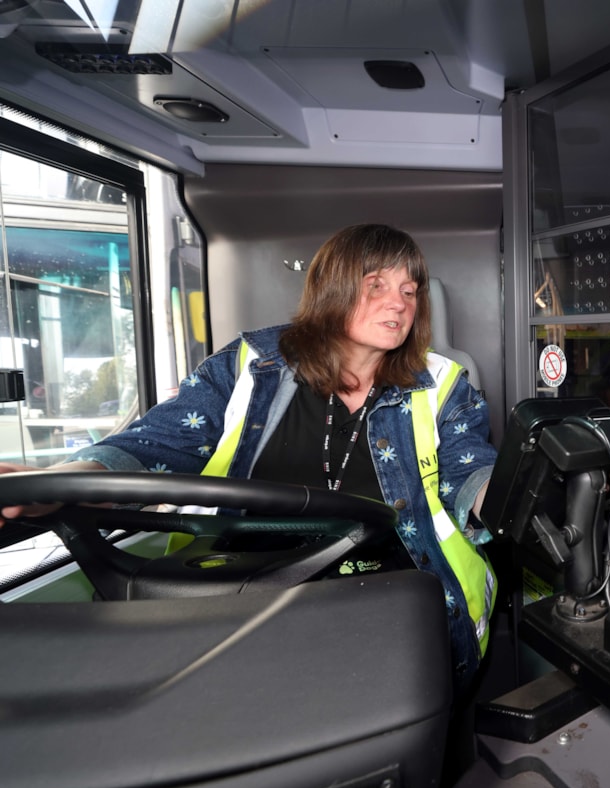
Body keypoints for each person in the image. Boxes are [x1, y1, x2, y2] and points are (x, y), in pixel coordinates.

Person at [0, 223, 497, 694]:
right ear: (334, 287)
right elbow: (152, 443)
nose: (398, 303)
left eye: (410, 291)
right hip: (243, 590)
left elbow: (469, 471)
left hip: (388, 594)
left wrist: (503, 493)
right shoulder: (251, 367)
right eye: (377, 285)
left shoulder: (443, 386)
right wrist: (58, 481)